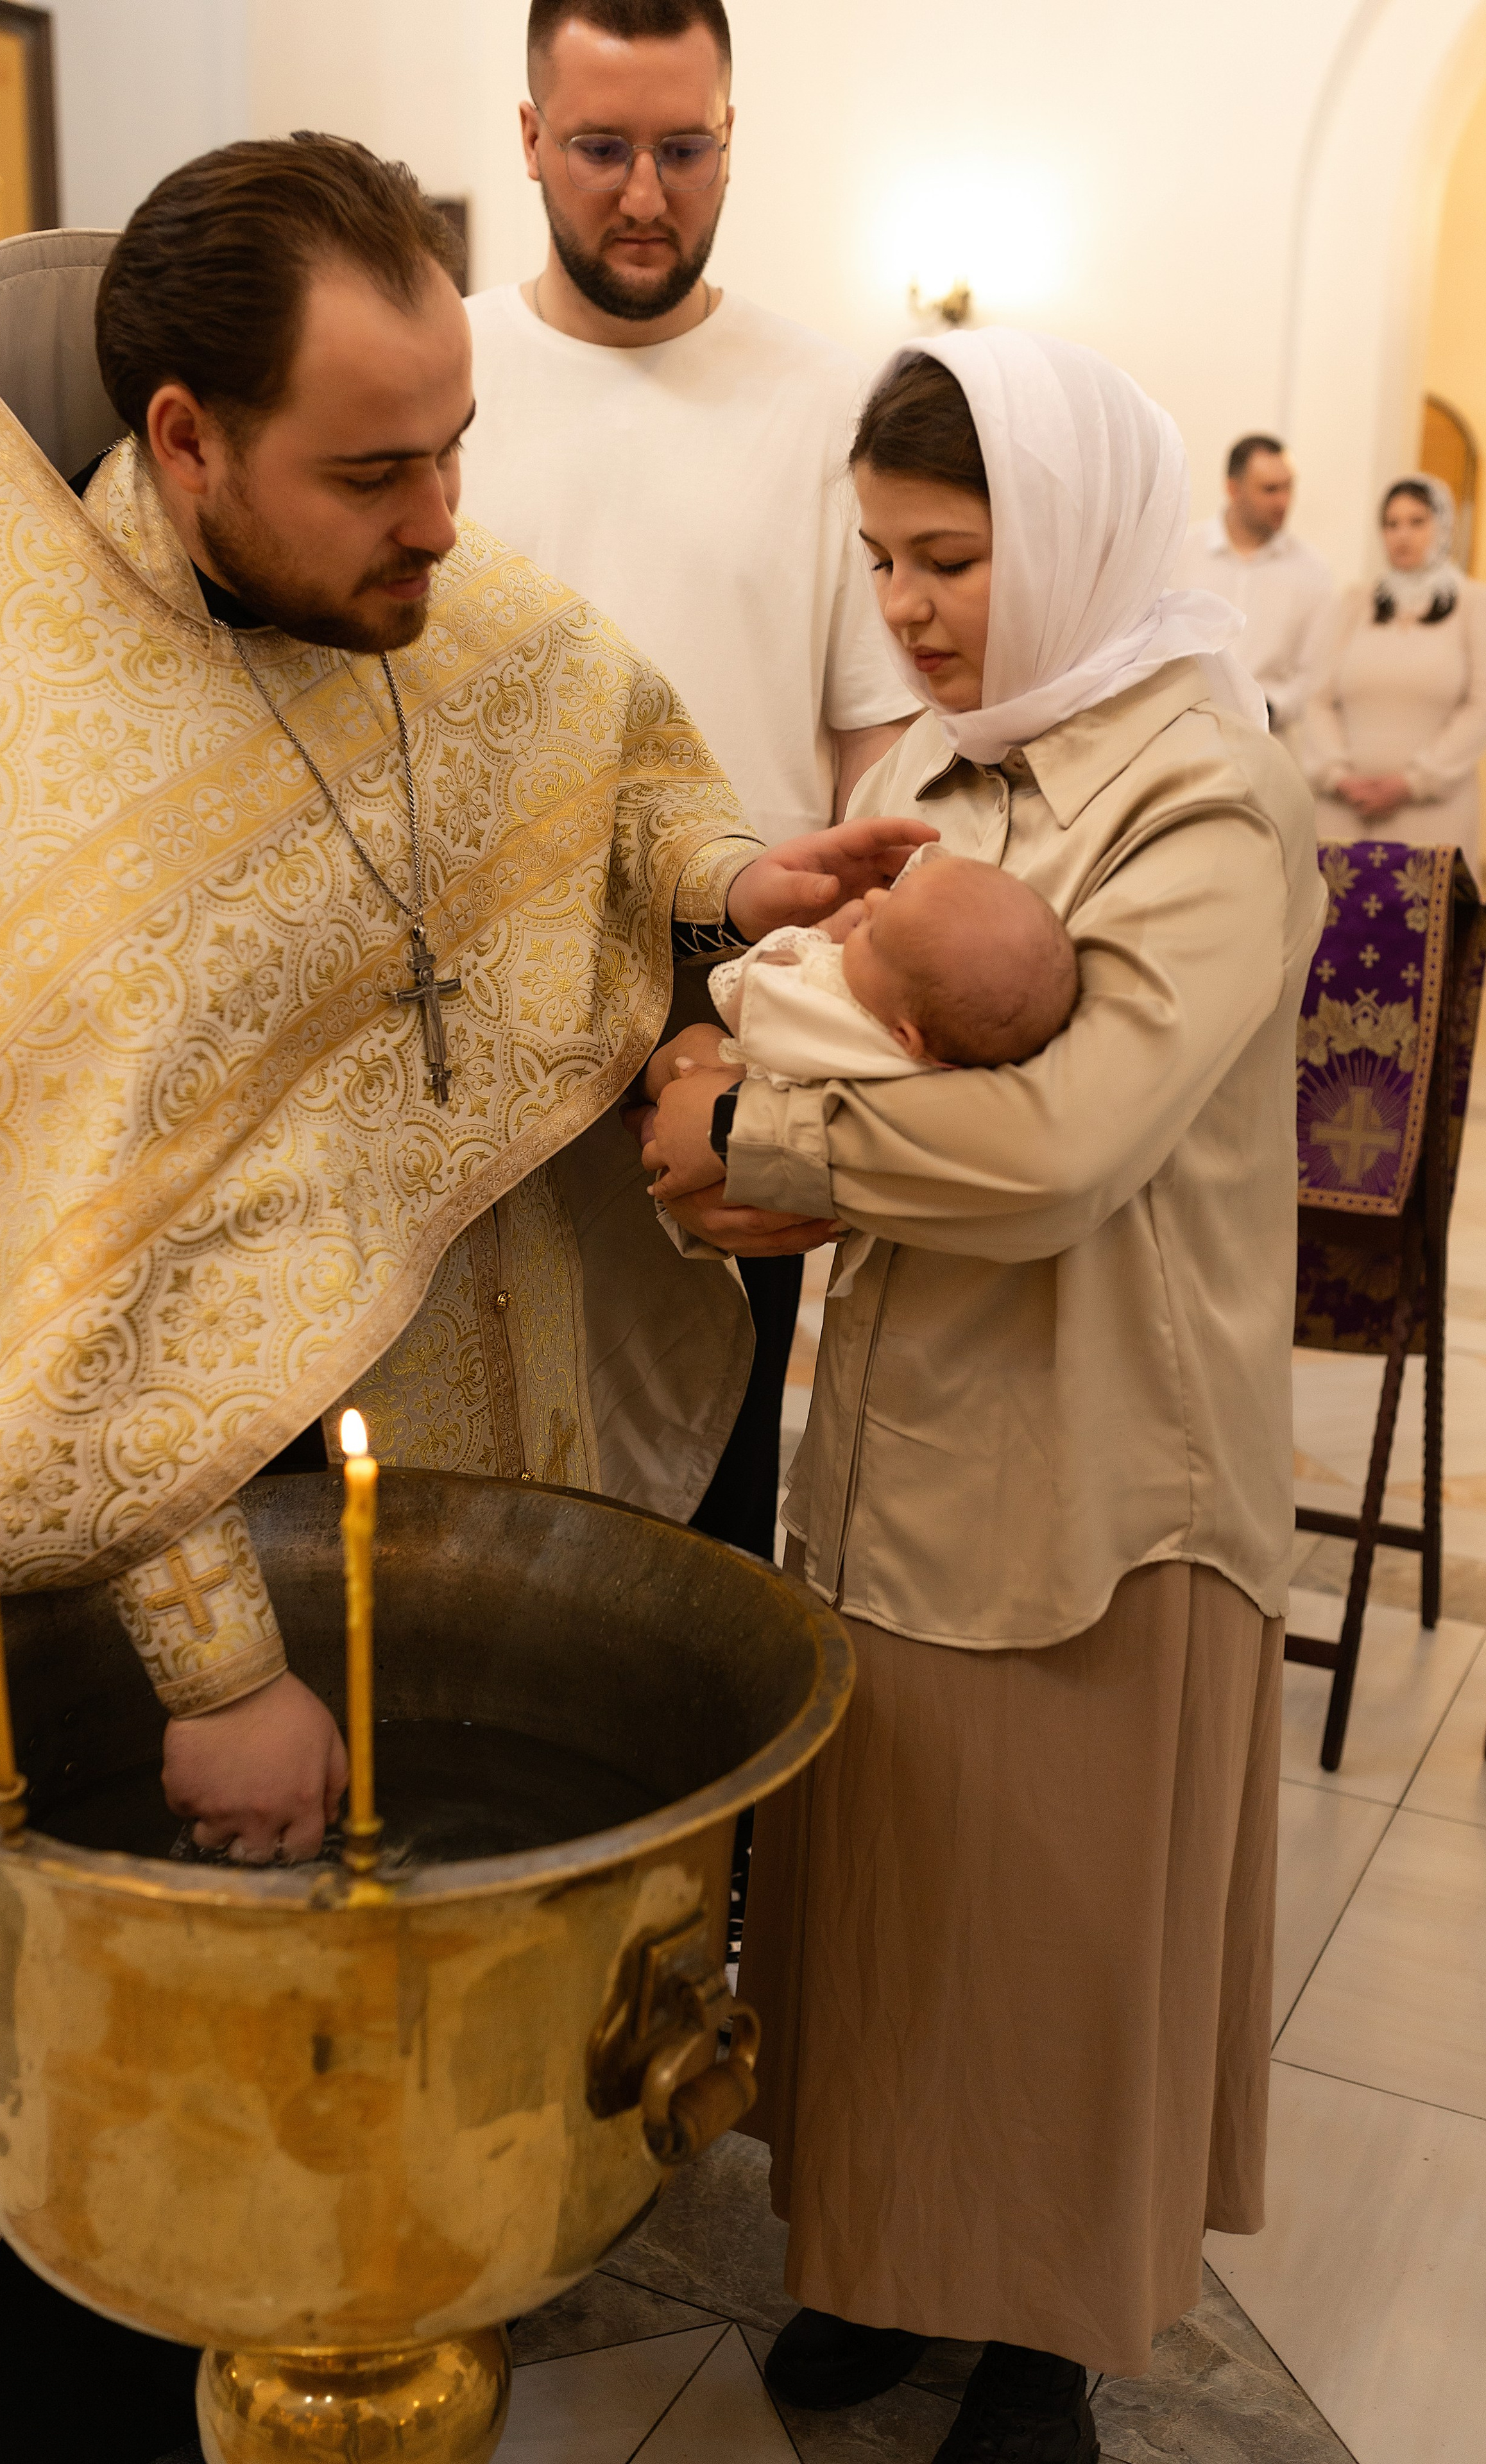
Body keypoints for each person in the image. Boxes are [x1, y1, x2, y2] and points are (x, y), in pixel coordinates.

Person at [0, 135, 925, 2462]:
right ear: (186, 442)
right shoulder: (12, 744)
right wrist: (214, 1662)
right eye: (375, 468)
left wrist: (726, 870)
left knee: (400, 2115)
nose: (439, 514)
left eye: (458, 445)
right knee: (140, 2155)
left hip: (445, 1470)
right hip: (148, 1582)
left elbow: (603, 762)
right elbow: (16, 1284)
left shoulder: (439, 601)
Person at [642, 331, 1323, 2463]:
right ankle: (875, 2254)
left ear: (1082, 534)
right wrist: (710, 1086)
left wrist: (756, 1146)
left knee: (1050, 1934)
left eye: (952, 557)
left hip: (1107, 1462)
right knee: (889, 1905)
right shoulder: (935, 778)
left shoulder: (1210, 798)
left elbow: (1057, 1155)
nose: (915, 610)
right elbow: (807, 1014)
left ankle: (1032, 2340)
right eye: (884, 563)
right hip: (906, 1440)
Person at [457, 0, 916, 1582]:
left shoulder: (832, 399)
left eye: (682, 147)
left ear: (733, 138)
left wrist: (797, 1017)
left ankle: (700, 1833)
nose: (643, 193)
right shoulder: (439, 371)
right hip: (467, 1004)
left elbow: (876, 757)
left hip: (737, 997)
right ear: (528, 138)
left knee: (706, 1485)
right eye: (599, 148)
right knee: (473, 1491)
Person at [653, 850, 1079, 1293]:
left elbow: (749, 994)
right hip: (794, 1177)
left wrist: (820, 935)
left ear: (905, 1036)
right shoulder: (947, 1045)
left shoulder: (854, 1027)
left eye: (873, 935)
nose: (871, 901)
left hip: (735, 1143)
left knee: (678, 1066)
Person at [1301, 472, 1486, 873]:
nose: (1402, 535)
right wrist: (1338, 775)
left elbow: (1484, 706)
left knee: (1422, 929)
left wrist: (1412, 782)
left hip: (1433, 810)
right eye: (1391, 523)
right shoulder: (1355, 603)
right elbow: (1318, 698)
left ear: (1444, 527)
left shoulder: (1479, 604)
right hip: (1345, 809)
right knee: (1339, 929)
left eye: (1417, 522)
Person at [1170, 432, 1333, 737]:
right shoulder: (1181, 554)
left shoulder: (1313, 572)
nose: (1283, 501)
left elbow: (1315, 674)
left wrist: (1267, 707)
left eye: (1288, 488)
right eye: (1270, 490)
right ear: (1233, 489)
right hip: (1185, 732)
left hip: (1268, 738)